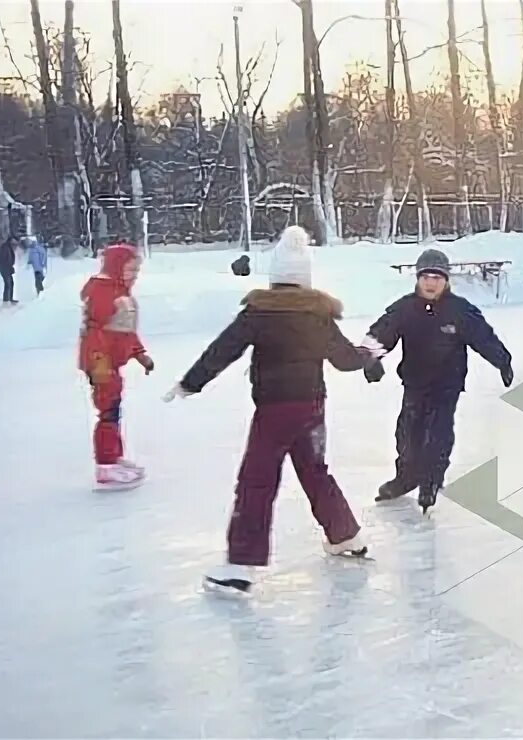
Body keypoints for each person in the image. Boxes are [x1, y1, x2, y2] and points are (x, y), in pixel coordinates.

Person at [163, 226, 379, 594]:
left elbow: (223, 350)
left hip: (275, 411)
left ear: (276, 276)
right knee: (315, 472)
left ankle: (241, 565)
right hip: (312, 407)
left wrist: (190, 382)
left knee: (257, 481)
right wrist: (367, 355)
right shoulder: (318, 314)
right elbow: (344, 361)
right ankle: (346, 537)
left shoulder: (259, 312)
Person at [361, 248, 513, 514]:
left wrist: (503, 360)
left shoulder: (460, 311)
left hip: (447, 384)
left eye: (437, 277)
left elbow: (483, 338)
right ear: (418, 279)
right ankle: (406, 477)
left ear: (446, 280)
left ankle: (430, 480)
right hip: (415, 382)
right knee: (407, 433)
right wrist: (370, 357)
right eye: (426, 277)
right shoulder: (405, 308)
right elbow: (381, 332)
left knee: (438, 433)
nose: (431, 283)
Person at [78, 242, 154, 490]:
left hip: (111, 363)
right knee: (108, 412)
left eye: (136, 270)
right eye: (130, 269)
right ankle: (106, 465)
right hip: (101, 363)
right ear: (115, 267)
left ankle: (113, 456)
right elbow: (95, 334)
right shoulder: (104, 293)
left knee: (113, 410)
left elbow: (124, 331)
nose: (134, 275)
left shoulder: (120, 293)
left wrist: (140, 354)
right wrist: (100, 365)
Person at [0, 234, 18, 305]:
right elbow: (4, 259)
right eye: (14, 241)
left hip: (7, 267)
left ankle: (9, 298)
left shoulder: (8, 247)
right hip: (4, 267)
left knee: (10, 283)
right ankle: (6, 299)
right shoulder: (5, 247)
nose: (15, 243)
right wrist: (7, 265)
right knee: (8, 283)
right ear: (11, 240)